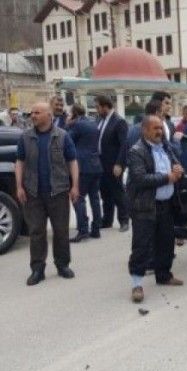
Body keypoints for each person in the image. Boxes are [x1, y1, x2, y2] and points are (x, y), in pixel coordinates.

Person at [15, 102, 79, 286]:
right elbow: (20, 162)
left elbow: (72, 161)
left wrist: (75, 186)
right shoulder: (26, 137)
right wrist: (19, 186)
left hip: (58, 191)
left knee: (61, 231)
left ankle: (62, 265)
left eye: (37, 112)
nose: (32, 115)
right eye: (32, 112)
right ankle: (37, 269)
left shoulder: (62, 136)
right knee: (36, 232)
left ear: (48, 115)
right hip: (33, 193)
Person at [126, 115, 185, 303]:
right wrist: (168, 177)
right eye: (155, 128)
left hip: (166, 205)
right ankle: (136, 284)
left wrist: (179, 171)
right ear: (145, 130)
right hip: (145, 206)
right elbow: (140, 179)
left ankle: (164, 275)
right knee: (142, 246)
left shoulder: (166, 147)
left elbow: (176, 167)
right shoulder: (137, 151)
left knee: (166, 243)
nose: (159, 131)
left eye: (161, 128)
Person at [67, 104, 104, 243]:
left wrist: (68, 125)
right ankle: (96, 229)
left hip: (82, 167)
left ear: (74, 113)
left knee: (78, 197)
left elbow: (67, 140)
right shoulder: (93, 124)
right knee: (94, 198)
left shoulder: (76, 125)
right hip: (96, 165)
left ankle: (83, 230)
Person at [95, 95, 130, 232]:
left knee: (118, 192)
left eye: (98, 107)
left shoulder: (119, 122)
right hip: (101, 163)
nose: (97, 110)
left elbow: (124, 145)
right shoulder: (100, 120)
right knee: (105, 193)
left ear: (105, 106)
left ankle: (124, 220)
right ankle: (107, 220)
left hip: (114, 164)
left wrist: (119, 164)